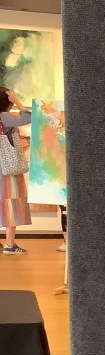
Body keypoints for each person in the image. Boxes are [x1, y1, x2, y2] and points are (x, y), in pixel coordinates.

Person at [0, 86, 32, 255]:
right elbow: (28, 117)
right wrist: (18, 101)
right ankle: (9, 244)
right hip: (8, 168)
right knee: (11, 202)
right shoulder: (4, 116)